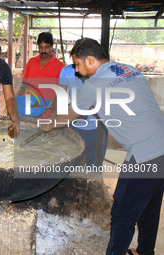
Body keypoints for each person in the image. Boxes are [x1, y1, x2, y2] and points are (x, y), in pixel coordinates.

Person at [40, 38, 164, 255]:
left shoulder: (95, 83)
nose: (77, 71)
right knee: (150, 207)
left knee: (123, 212)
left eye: (77, 65)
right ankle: (145, 251)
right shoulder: (128, 70)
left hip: (144, 153)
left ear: (90, 59)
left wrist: (49, 124)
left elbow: (71, 113)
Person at [59, 64, 108, 167]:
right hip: (74, 126)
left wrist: (89, 110)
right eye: (74, 63)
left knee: (94, 165)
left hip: (96, 128)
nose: (76, 69)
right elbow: (60, 97)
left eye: (78, 63)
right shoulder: (67, 71)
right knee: (72, 162)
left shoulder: (102, 74)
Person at [22, 32, 64, 117]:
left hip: (48, 112)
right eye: (40, 47)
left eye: (46, 47)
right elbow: (24, 84)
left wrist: (54, 113)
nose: (43, 50)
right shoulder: (31, 62)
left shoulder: (60, 66)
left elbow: (62, 91)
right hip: (30, 109)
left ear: (51, 46)